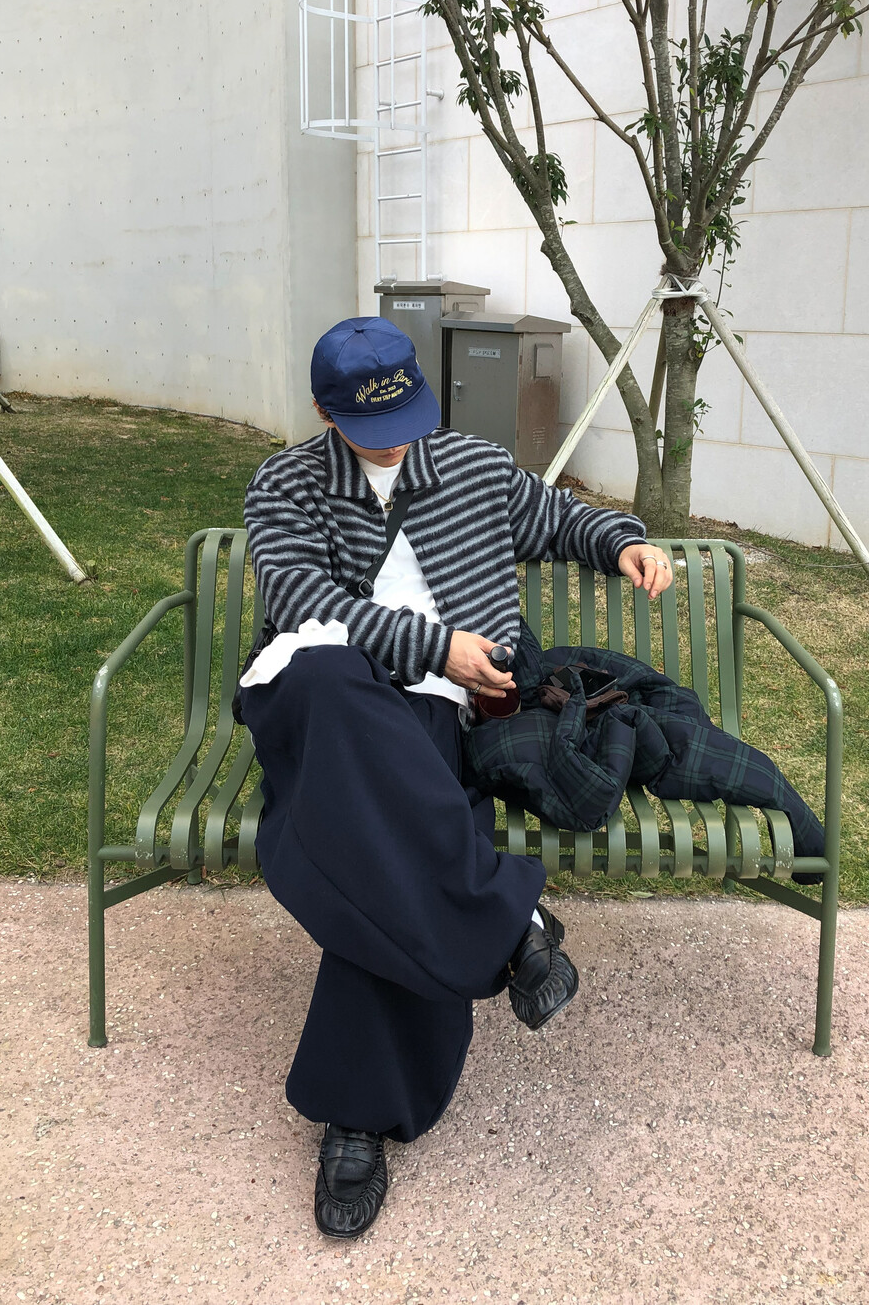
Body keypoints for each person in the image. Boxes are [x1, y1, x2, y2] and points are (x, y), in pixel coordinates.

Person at [238, 316, 673, 1239]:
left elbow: (559, 518)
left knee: (377, 847)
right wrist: (438, 648)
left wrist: (622, 540)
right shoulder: (285, 483)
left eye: (408, 418)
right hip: (316, 699)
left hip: (430, 716)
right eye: (372, 425)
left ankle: (356, 1115)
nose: (398, 441)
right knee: (335, 678)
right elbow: (302, 603)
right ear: (324, 411)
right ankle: (510, 921)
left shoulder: (473, 467)